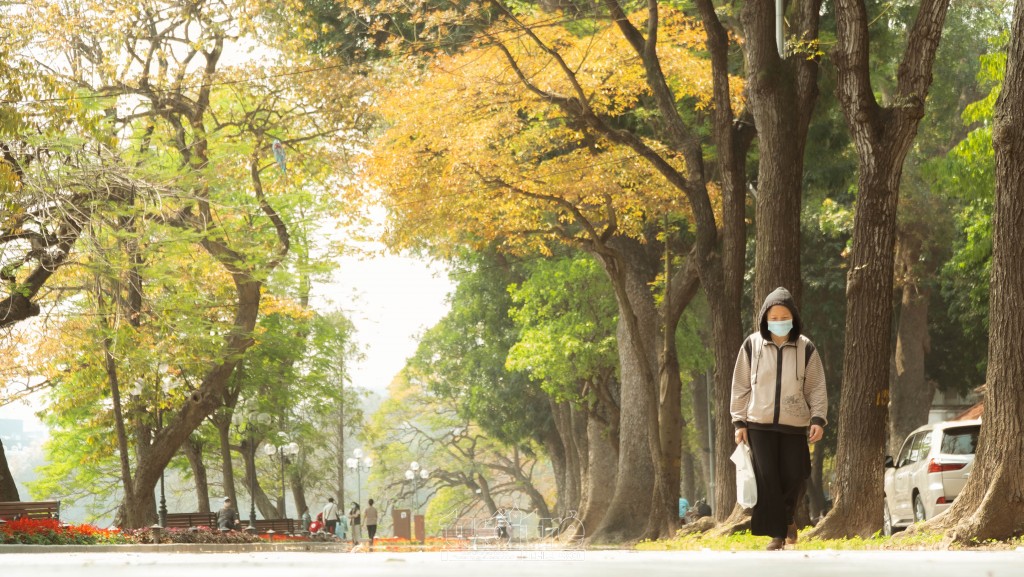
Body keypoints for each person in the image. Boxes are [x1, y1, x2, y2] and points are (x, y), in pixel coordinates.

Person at [730, 287, 827, 551]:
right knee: (768, 478)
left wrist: (818, 418)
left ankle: (787, 519)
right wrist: (739, 422)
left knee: (795, 475)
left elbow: (816, 387)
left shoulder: (806, 348)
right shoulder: (751, 345)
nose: (779, 321)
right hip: (758, 424)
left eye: (784, 316)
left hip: (795, 425)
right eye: (774, 317)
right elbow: (740, 386)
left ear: (793, 318)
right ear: (765, 319)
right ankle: (777, 534)